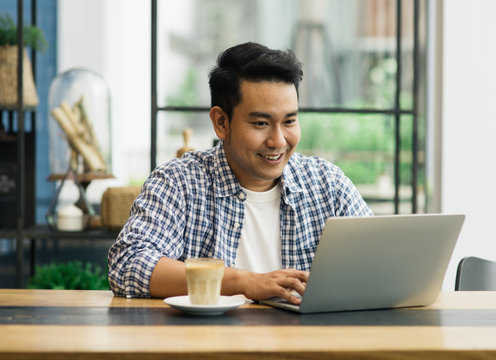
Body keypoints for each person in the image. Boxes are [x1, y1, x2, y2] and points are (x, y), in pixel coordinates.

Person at [107, 42, 372, 303]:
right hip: (208, 343)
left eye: (289, 121)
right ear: (221, 122)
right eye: (261, 123)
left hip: (306, 343)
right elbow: (128, 263)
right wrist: (243, 283)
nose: (278, 141)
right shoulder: (179, 183)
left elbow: (381, 259)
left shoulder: (328, 184)